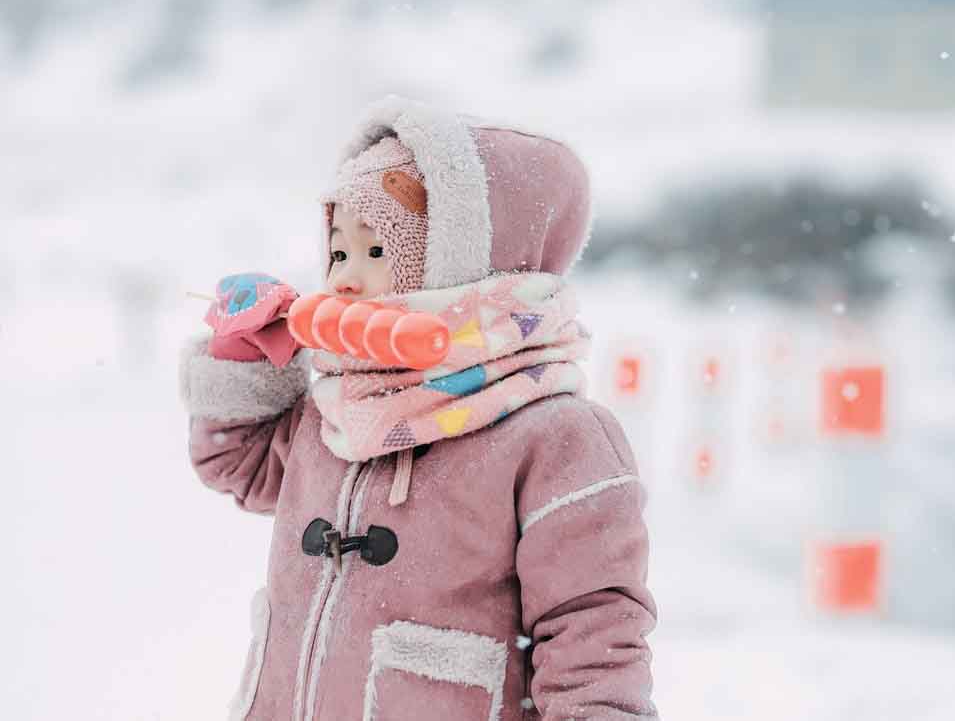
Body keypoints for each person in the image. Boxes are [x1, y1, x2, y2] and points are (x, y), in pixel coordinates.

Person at [177, 96, 658, 721]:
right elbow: (237, 464)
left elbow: (593, 628)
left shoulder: (556, 435)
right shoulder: (336, 408)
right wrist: (242, 356)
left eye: (377, 252)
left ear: (464, 263)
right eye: (339, 251)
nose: (344, 279)